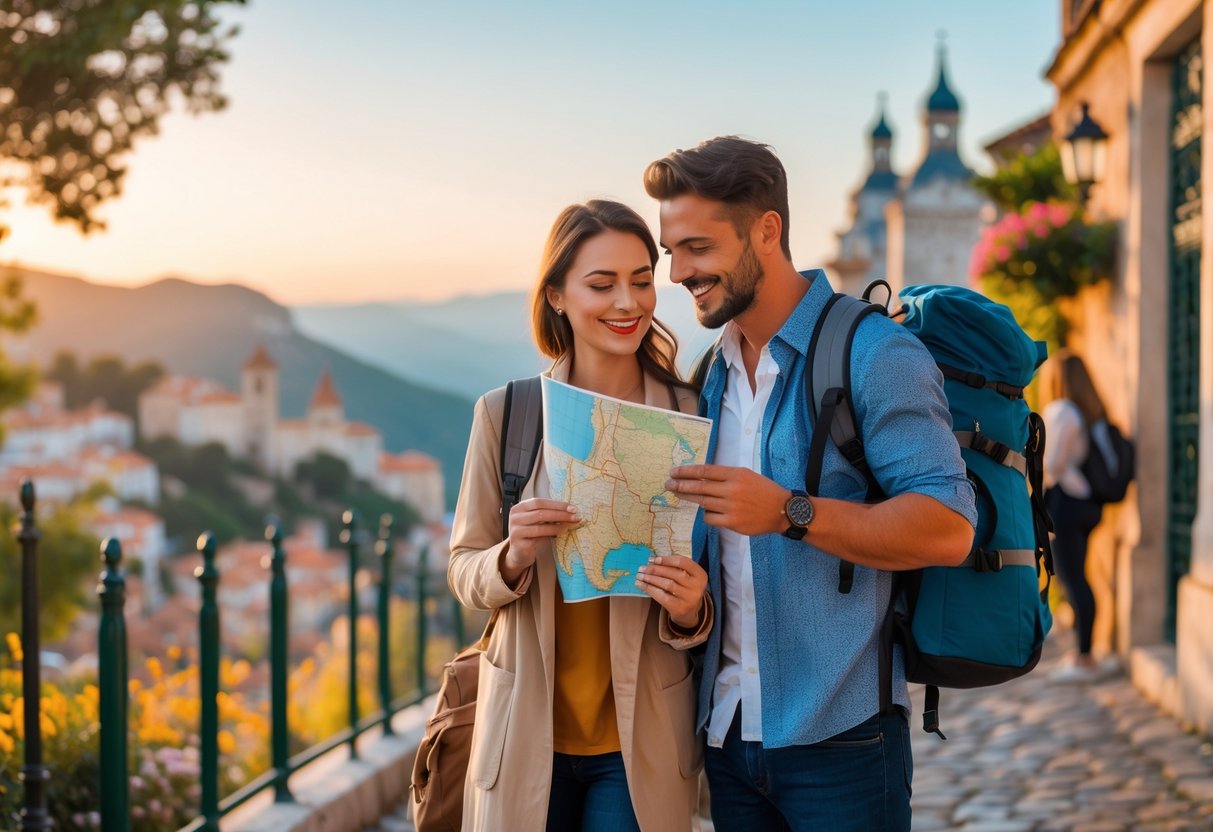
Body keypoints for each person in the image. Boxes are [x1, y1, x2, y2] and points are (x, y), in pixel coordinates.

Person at [646, 136, 978, 831]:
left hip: (843, 741)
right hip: (728, 737)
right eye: (671, 251)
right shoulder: (710, 376)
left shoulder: (874, 353)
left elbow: (947, 528)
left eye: (697, 247)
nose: (678, 271)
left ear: (766, 231)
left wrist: (788, 513)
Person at [447, 199, 713, 831]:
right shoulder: (505, 415)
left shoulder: (693, 412)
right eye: (602, 284)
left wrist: (690, 608)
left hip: (639, 739)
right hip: (520, 735)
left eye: (642, 280)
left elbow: (729, 574)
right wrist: (511, 556)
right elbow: (462, 569)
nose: (627, 302)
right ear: (558, 297)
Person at [1041, 348, 1114, 681]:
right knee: (1080, 578)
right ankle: (1085, 652)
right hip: (1085, 504)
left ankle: (1085, 657)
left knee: (1073, 579)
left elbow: (1051, 462)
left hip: (1067, 504)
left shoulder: (1060, 410)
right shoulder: (1085, 411)